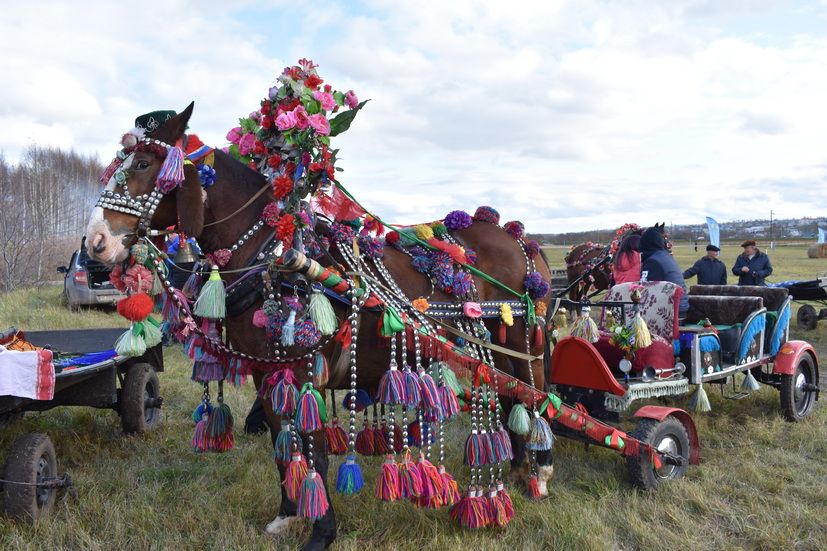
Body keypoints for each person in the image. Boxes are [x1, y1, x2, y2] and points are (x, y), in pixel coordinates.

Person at [639, 224, 689, 318]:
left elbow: (645, 291)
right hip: (679, 308)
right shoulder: (664, 256)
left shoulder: (652, 262)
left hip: (670, 312)